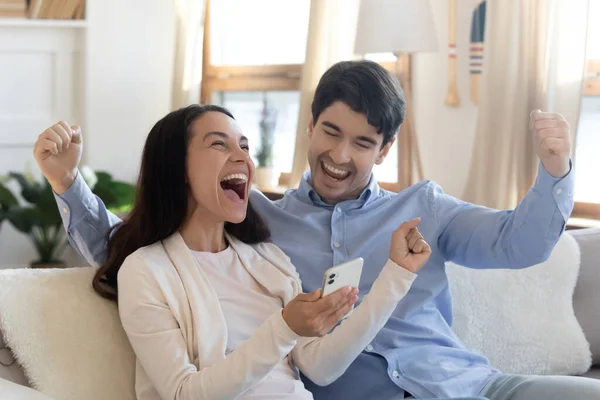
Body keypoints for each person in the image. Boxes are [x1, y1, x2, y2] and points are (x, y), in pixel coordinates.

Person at [35, 60, 600, 400]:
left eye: (362, 143)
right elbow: (139, 243)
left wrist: (555, 172)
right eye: (330, 132)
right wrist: (67, 185)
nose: (339, 155)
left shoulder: (424, 207)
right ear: (310, 124)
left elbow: (518, 244)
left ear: (385, 150)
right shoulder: (257, 222)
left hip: (465, 386)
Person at [36, 104, 436, 400]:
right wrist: (283, 327)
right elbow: (183, 393)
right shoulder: (146, 269)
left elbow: (320, 367)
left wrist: (396, 276)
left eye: (244, 146)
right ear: (178, 170)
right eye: (219, 144)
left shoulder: (267, 260)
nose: (243, 156)